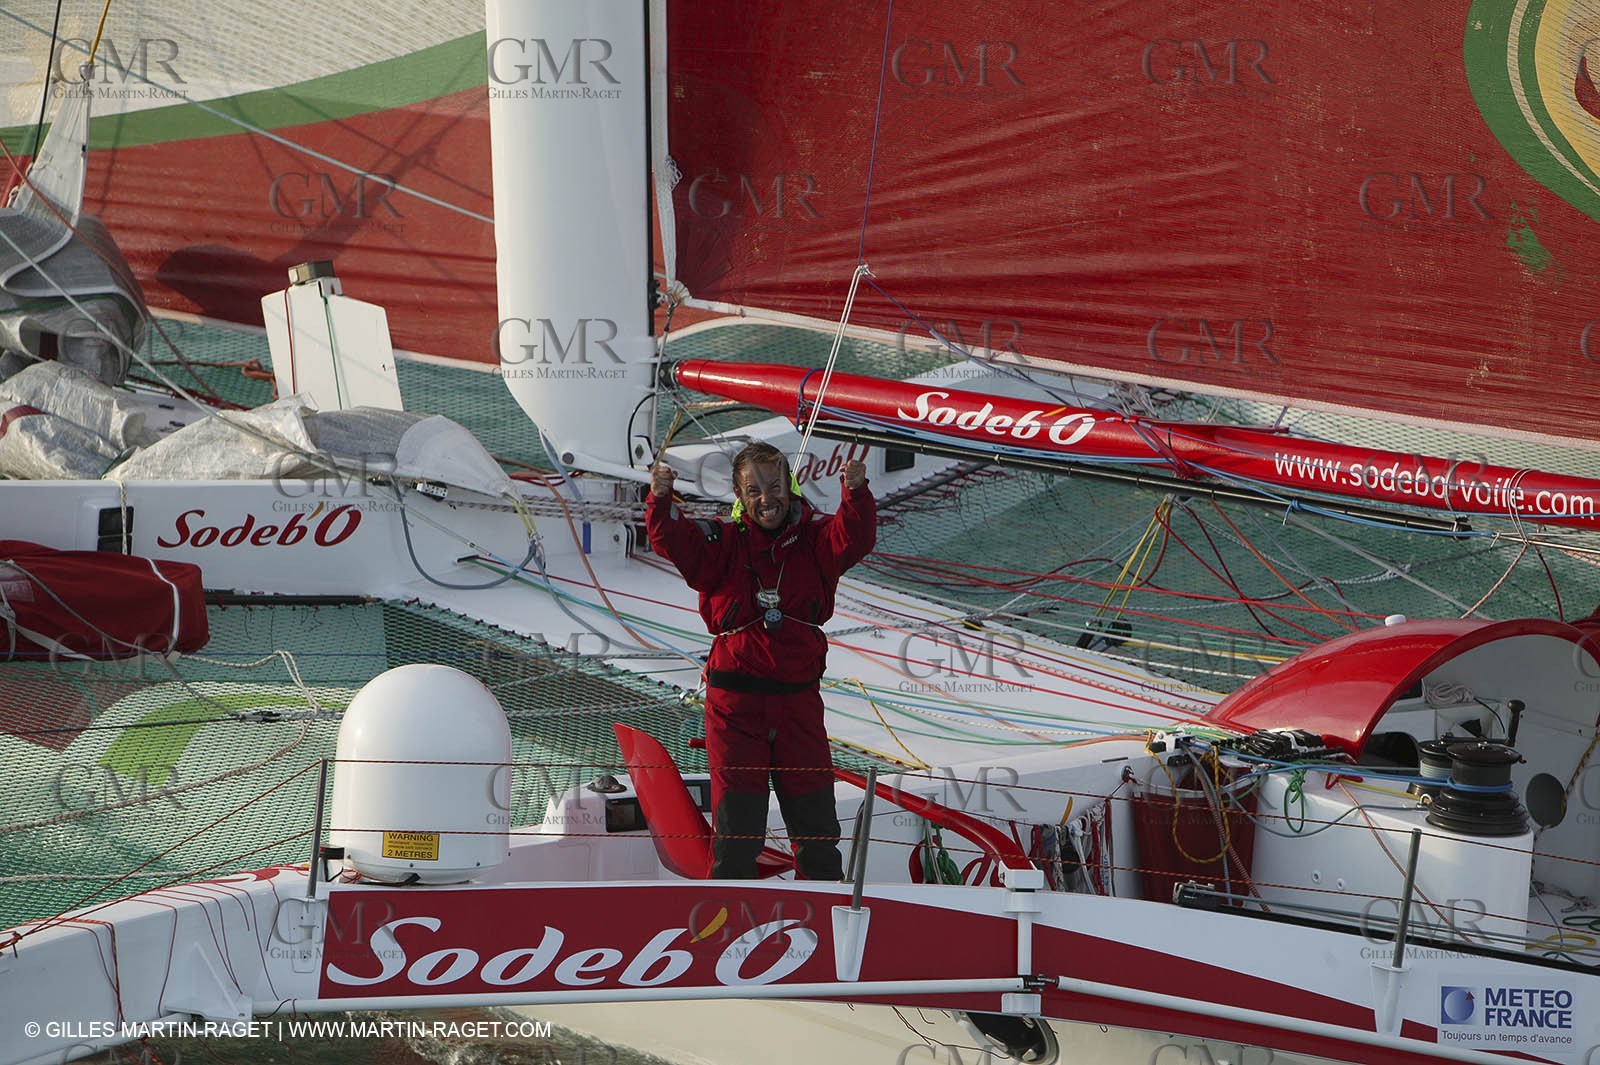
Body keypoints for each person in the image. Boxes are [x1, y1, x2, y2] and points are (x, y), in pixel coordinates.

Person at [646, 442, 876, 879]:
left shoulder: (813, 539)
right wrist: (660, 499)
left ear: (789, 486)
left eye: (774, 486)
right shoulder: (722, 544)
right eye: (753, 490)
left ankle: (826, 920)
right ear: (739, 495)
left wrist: (857, 492)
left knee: (817, 833)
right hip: (736, 709)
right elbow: (674, 542)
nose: (766, 499)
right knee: (738, 834)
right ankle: (728, 922)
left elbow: (854, 538)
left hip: (798, 705)